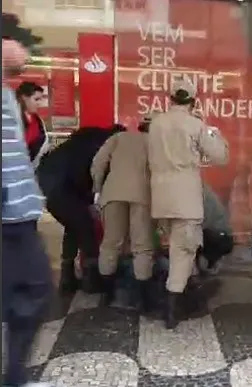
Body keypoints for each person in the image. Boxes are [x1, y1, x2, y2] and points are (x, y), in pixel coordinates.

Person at [148, 80, 229, 329]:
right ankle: (172, 310)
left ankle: (186, 286)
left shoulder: (156, 123)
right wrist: (212, 130)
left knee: (173, 248)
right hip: (186, 200)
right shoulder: (196, 125)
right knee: (183, 251)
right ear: (193, 100)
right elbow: (221, 156)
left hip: (159, 198)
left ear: (169, 97)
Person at [2, 37, 53, 387]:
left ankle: (15, 376)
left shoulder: (7, 97)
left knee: (27, 291)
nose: (22, 49)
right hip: (9, 214)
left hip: (19, 212)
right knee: (34, 288)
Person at [37, 125, 126, 295]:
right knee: (86, 230)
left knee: (73, 226)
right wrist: (92, 199)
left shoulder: (86, 139)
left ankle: (67, 279)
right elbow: (86, 174)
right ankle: (91, 281)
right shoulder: (99, 145)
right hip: (63, 189)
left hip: (47, 186)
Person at [91, 121, 153, 311]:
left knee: (111, 243)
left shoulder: (118, 138)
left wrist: (98, 188)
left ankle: (106, 295)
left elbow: (98, 163)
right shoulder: (157, 143)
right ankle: (142, 299)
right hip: (143, 195)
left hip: (113, 194)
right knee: (142, 246)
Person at [196, 183, 234, 275]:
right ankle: (208, 262)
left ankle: (209, 262)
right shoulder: (204, 191)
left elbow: (204, 221)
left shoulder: (203, 196)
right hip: (221, 236)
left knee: (191, 236)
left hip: (219, 237)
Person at [16, 81, 49, 168]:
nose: (39, 103)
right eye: (36, 99)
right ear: (24, 98)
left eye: (40, 99)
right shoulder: (11, 120)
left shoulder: (38, 121)